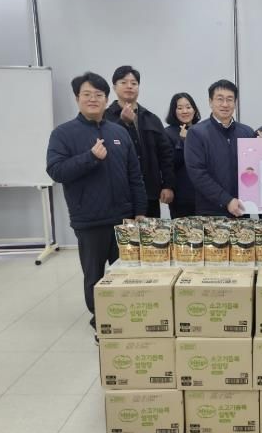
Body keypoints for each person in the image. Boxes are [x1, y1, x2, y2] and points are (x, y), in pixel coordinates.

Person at [46, 72, 147, 339]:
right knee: (94, 275)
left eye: (98, 95)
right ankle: (102, 322)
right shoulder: (63, 134)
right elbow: (56, 171)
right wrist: (90, 157)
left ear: (106, 98)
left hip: (124, 218)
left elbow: (135, 175)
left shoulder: (119, 132)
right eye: (87, 94)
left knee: (127, 273)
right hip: (89, 220)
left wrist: (139, 211)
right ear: (77, 98)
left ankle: (127, 318)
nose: (93, 99)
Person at [104, 65, 175, 218]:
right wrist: (122, 122)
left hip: (149, 192)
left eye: (134, 83)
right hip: (117, 194)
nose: (129, 86)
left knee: (150, 233)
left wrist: (168, 185)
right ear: (114, 87)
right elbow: (105, 147)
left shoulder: (151, 118)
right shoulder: (105, 117)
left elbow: (165, 154)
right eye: (123, 82)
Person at [185, 79, 254, 216]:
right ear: (210, 102)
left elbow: (253, 169)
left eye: (230, 99)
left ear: (235, 102)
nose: (225, 104)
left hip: (242, 209)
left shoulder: (247, 132)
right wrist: (226, 200)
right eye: (220, 99)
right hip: (210, 210)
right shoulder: (196, 133)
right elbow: (197, 173)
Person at [164, 92, 201, 218]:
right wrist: (183, 142)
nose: (185, 111)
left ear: (194, 109)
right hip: (181, 195)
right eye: (180, 108)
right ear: (173, 111)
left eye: (188, 107)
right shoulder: (167, 133)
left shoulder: (202, 130)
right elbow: (171, 163)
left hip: (204, 194)